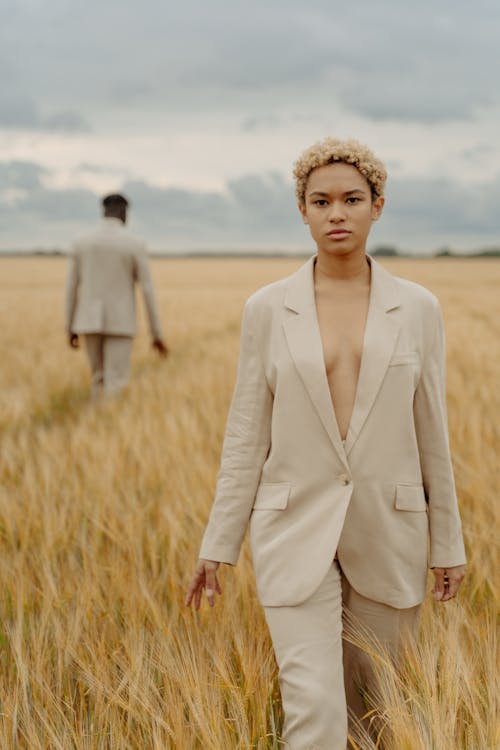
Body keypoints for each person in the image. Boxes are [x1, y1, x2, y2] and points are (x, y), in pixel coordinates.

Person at [185, 138, 467, 749]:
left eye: (351, 199)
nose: (336, 213)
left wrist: (448, 540)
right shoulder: (267, 308)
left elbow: (432, 432)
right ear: (303, 211)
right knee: (313, 712)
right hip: (292, 527)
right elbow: (245, 433)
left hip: (390, 530)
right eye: (321, 201)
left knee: (376, 715)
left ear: (378, 207)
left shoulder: (418, 308)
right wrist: (219, 542)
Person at [65, 193, 168, 398]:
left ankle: (96, 423)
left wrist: (70, 327)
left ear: (104, 211)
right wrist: (156, 334)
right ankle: (107, 423)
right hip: (122, 322)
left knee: (98, 378)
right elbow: (147, 290)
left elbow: (71, 287)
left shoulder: (81, 242)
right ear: (123, 212)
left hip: (88, 321)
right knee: (117, 380)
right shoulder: (134, 243)